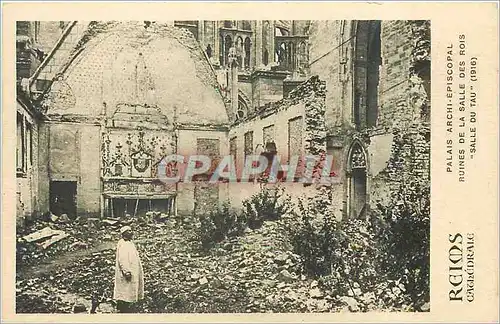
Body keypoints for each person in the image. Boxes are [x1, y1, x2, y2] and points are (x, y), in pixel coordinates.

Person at [113, 225, 144, 313]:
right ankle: (122, 309)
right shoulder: (123, 244)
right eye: (129, 231)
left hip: (132, 270)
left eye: (131, 230)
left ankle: (127, 307)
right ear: (124, 234)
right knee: (124, 290)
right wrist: (126, 271)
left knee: (128, 290)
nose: (132, 232)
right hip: (127, 272)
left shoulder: (130, 243)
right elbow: (122, 259)